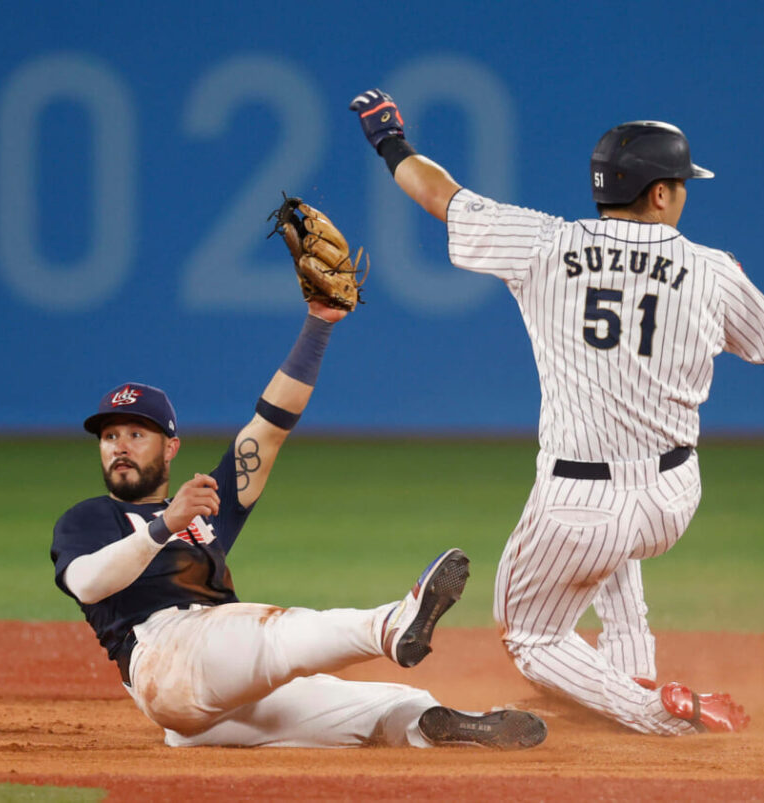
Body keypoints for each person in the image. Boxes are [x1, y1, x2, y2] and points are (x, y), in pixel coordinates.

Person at [349, 89, 764, 735]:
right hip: (672, 493)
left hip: (579, 504)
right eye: (682, 183)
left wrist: (390, 141)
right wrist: (721, 283)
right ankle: (630, 672)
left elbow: (442, 196)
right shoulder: (711, 269)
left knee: (530, 635)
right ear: (660, 194)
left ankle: (655, 713)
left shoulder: (544, 243)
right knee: (614, 562)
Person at [50, 297, 546, 749]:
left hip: (214, 700)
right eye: (110, 435)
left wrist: (320, 324)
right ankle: (391, 626)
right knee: (273, 633)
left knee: (390, 704)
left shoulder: (202, 504)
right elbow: (89, 584)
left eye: (137, 433)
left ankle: (439, 726)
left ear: (171, 447)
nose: (119, 445)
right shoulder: (91, 517)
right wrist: (163, 525)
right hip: (164, 660)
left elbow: (268, 427)